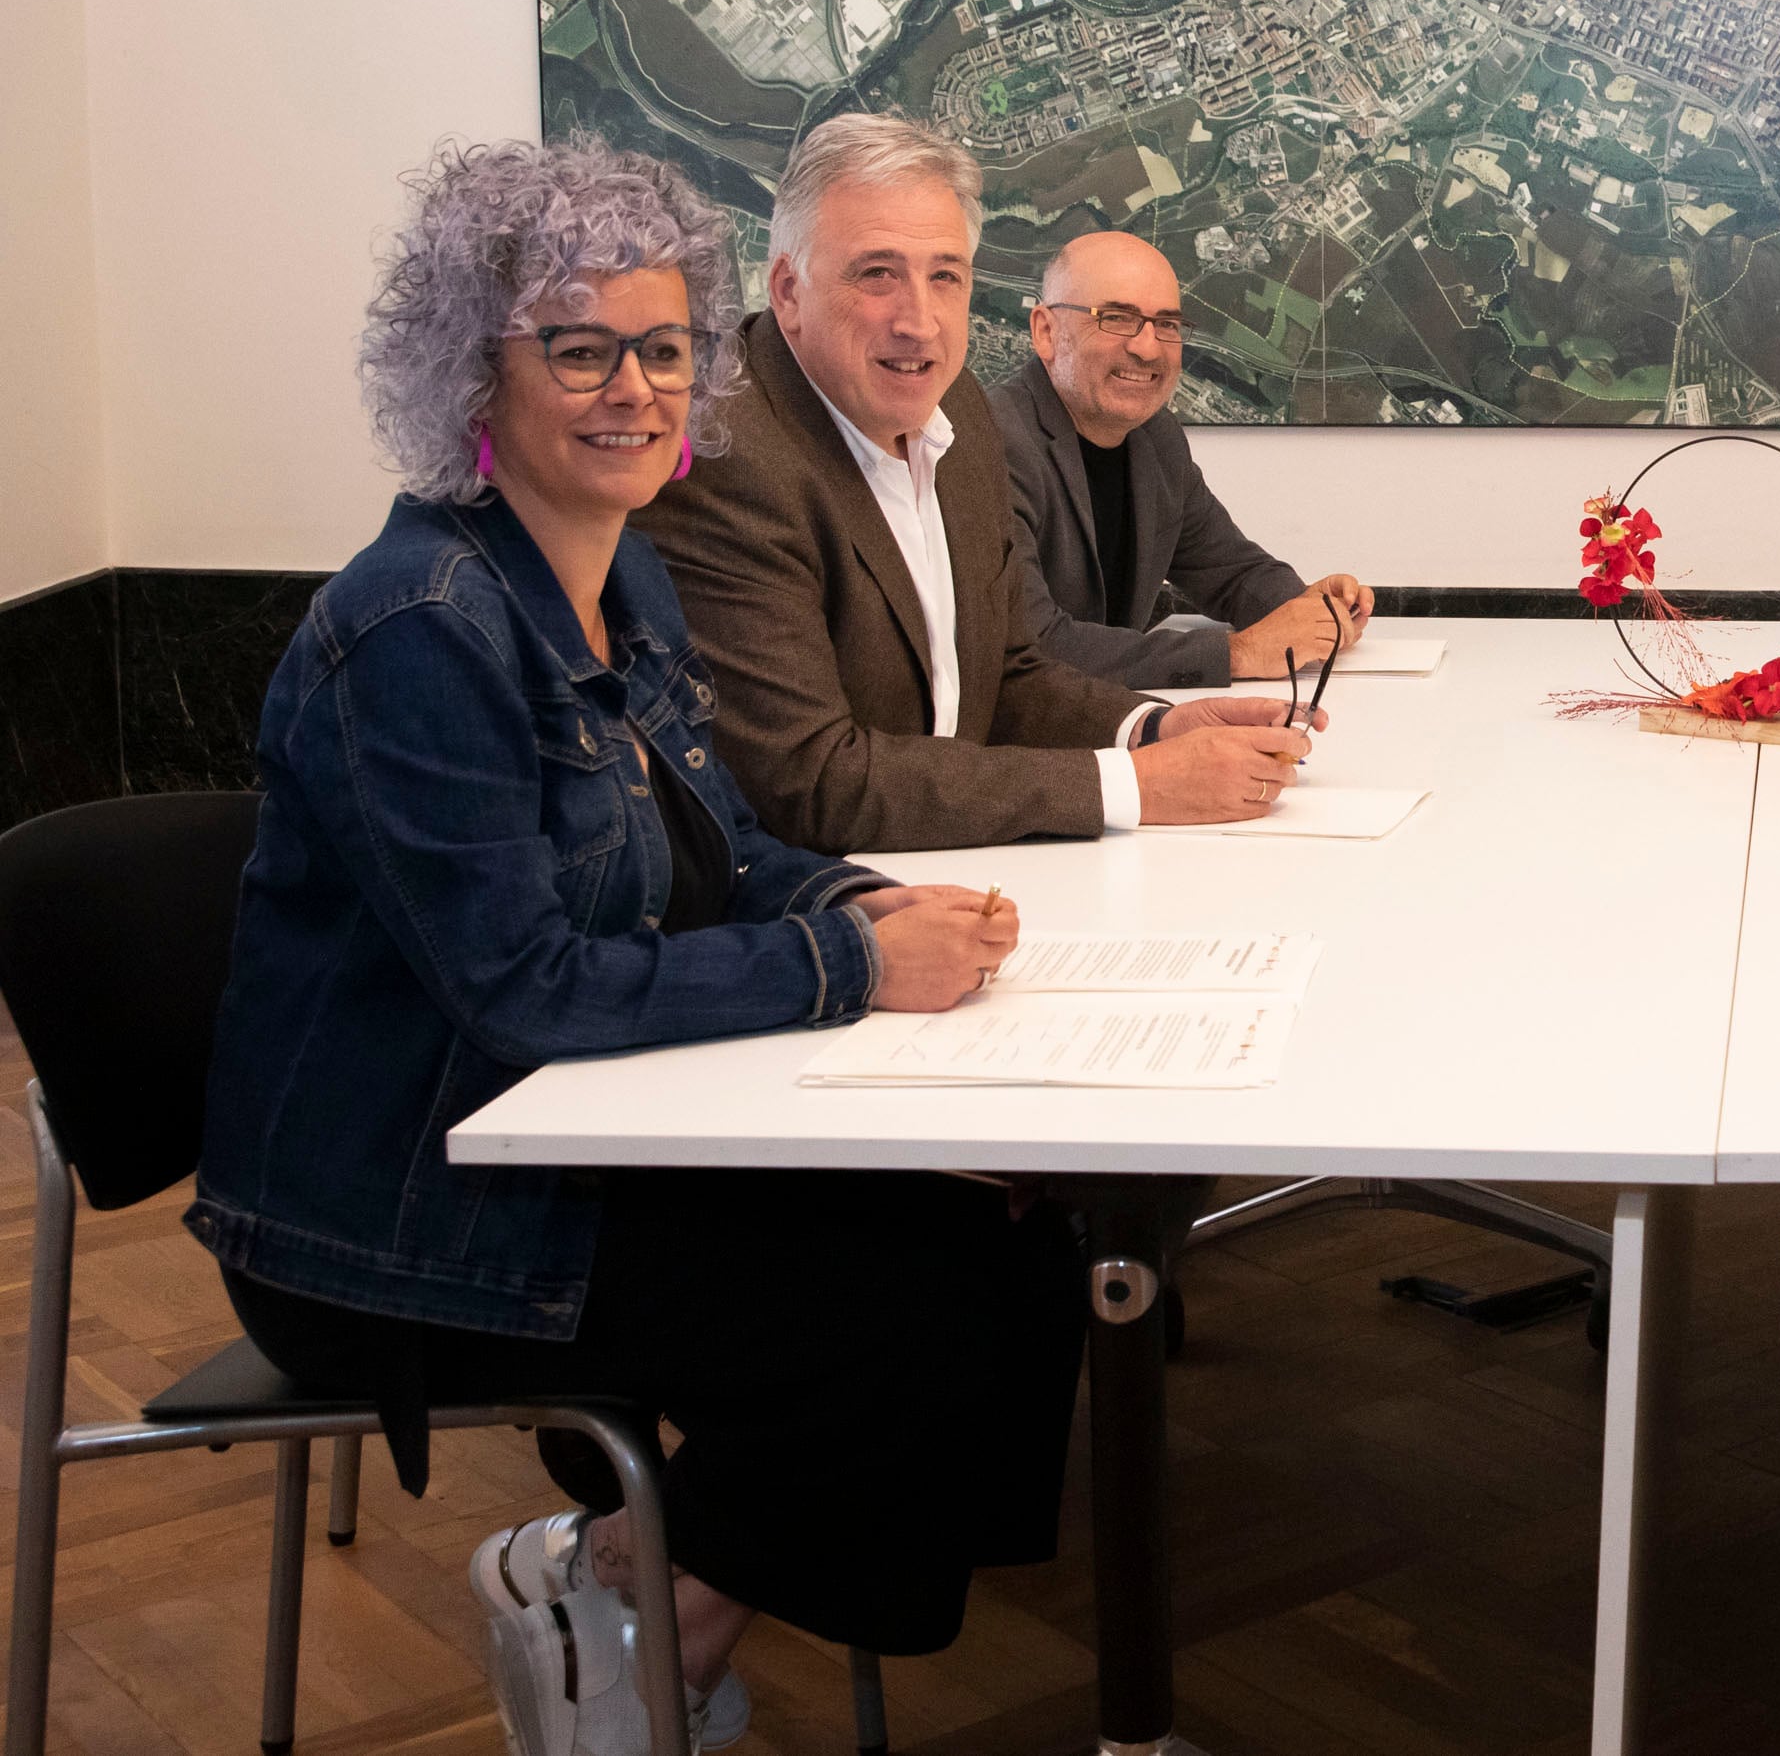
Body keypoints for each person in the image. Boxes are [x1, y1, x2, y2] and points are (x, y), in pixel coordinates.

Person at [185, 139, 1058, 1756]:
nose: (635, 389)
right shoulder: (420, 623)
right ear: (471, 369)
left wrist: (856, 897)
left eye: (662, 347)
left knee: (1008, 1236)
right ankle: (616, 1596)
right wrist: (854, 970)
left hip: (555, 1144)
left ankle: (636, 1587)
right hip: (397, 1215)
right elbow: (521, 988)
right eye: (577, 349)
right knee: (910, 1317)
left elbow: (716, 849)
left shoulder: (617, 572)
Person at [635, 115, 1317, 852]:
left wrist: (1153, 726)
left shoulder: (952, 405)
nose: (920, 322)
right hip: (816, 907)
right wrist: (1136, 787)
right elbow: (811, 782)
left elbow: (1006, 674)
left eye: (945, 276)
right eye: (877, 274)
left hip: (953, 870)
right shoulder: (723, 453)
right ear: (788, 290)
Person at [990, 228, 1375, 688]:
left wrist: (1308, 608)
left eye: (1167, 324)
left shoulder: (1156, 437)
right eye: (1116, 317)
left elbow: (1231, 571)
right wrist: (1241, 654)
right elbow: (1034, 644)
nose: (1148, 347)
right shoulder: (992, 443)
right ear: (1045, 331)